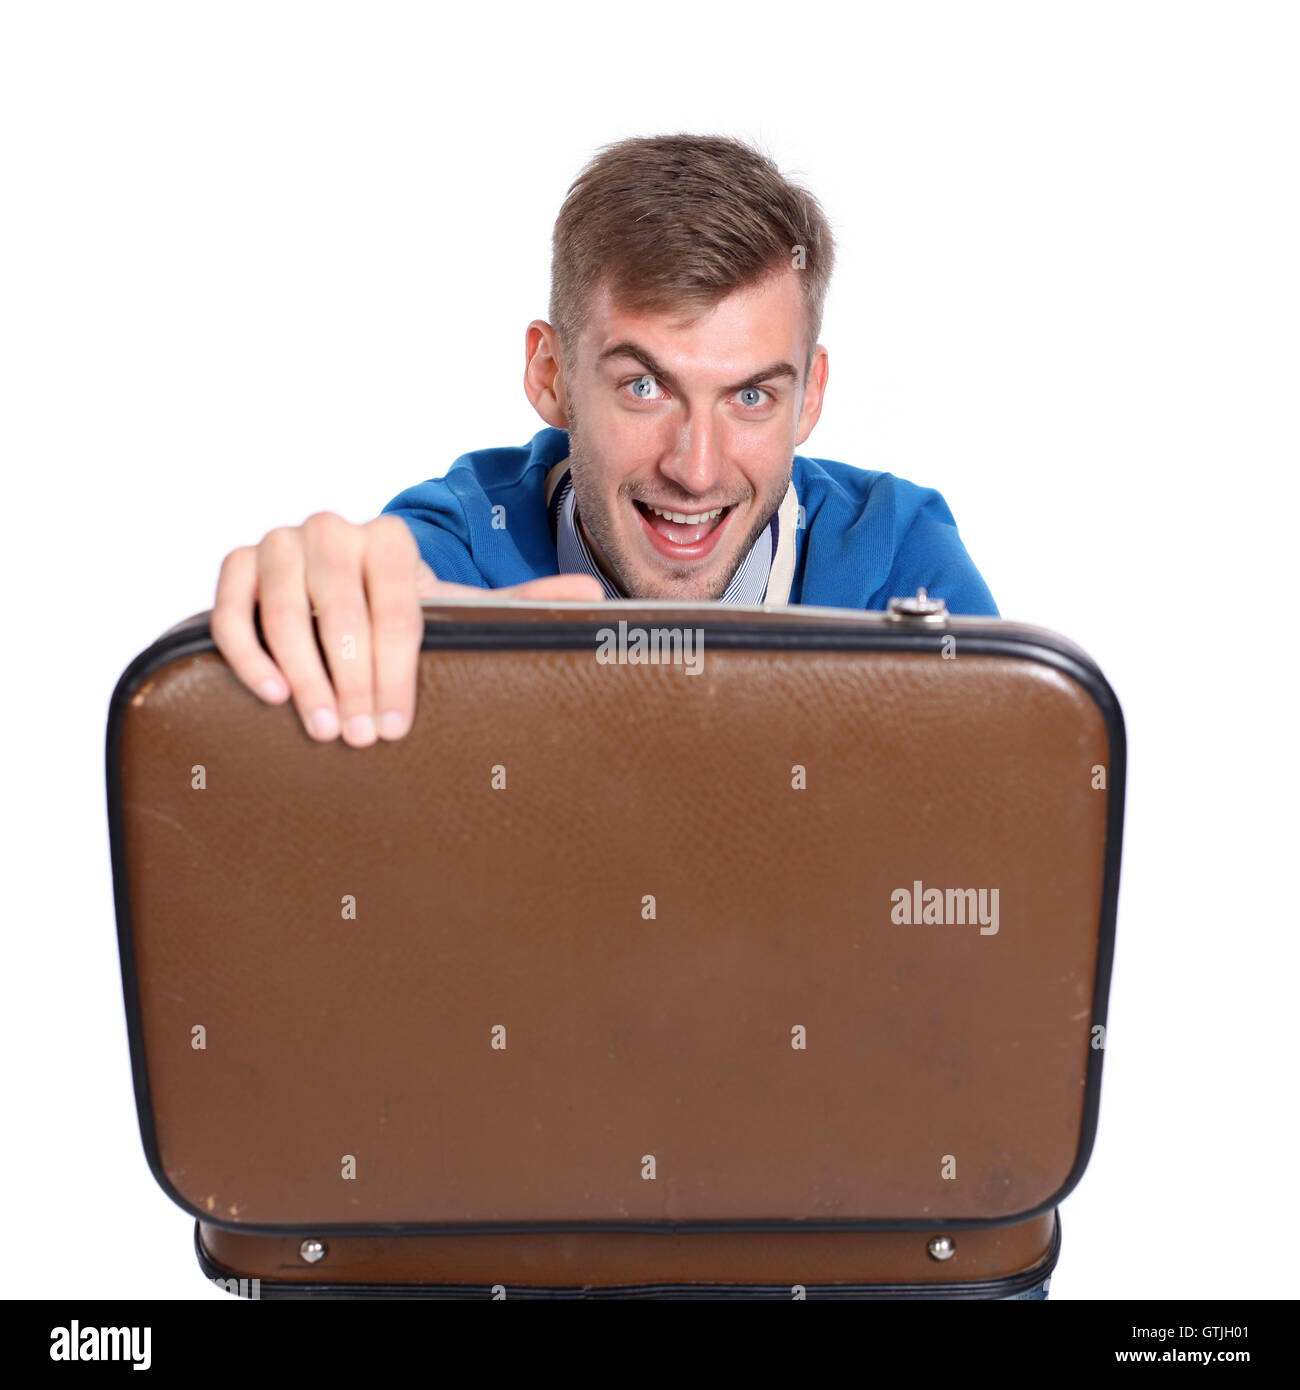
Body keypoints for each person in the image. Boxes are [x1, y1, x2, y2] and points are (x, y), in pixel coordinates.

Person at [212, 132, 998, 750]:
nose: (696, 470)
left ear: (810, 396)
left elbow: (1006, 839)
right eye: (644, 387)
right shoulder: (458, 549)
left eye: (751, 396)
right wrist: (312, 619)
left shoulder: (898, 560)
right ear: (550, 374)